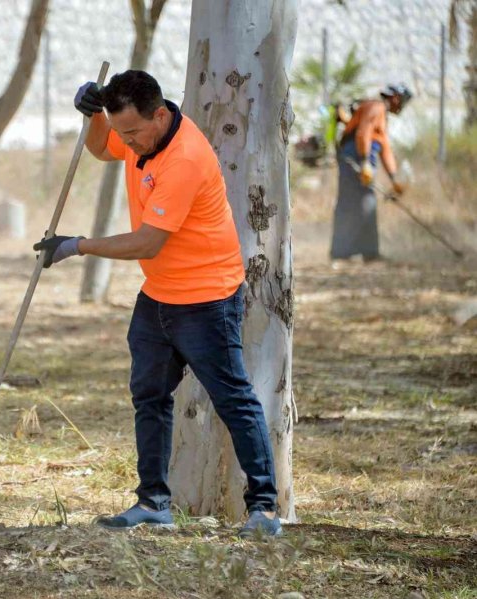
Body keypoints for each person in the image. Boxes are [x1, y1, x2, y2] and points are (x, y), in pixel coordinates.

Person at [33, 70, 281, 538]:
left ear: (161, 115)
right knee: (148, 395)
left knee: (234, 399)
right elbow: (101, 146)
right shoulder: (138, 136)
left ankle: (265, 508)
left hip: (206, 297)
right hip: (159, 294)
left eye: (132, 132)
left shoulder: (184, 157)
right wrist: (92, 118)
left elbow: (148, 242)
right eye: (121, 130)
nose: (126, 142)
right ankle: (153, 503)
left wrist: (77, 246)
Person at [330, 83, 413, 262]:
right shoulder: (376, 107)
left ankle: (354, 251)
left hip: (361, 158)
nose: (401, 106)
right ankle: (355, 252)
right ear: (395, 97)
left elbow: (385, 149)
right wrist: (366, 162)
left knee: (361, 201)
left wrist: (394, 179)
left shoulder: (382, 116)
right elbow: (363, 133)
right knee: (359, 201)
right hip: (355, 158)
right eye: (402, 101)